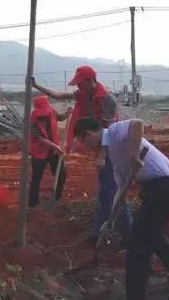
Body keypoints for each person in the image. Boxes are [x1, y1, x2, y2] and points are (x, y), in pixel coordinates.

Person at [74, 117, 169, 299]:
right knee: (154, 234)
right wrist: (110, 221)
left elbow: (137, 123)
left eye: (82, 141)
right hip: (156, 191)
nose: (85, 146)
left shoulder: (113, 132)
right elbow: (120, 190)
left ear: (87, 135)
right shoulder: (113, 154)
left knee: (137, 246)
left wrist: (134, 154)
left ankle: (135, 295)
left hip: (164, 188)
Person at [32, 65, 132, 244]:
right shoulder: (84, 94)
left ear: (90, 81)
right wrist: (37, 86)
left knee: (113, 192)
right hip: (100, 147)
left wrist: (102, 155)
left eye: (79, 83)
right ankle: (97, 233)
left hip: (113, 147)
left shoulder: (107, 99)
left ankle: (128, 235)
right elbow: (60, 95)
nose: (77, 87)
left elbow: (110, 131)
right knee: (105, 192)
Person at [28, 95, 72, 208]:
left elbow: (59, 117)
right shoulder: (33, 119)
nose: (44, 114)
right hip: (39, 152)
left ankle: (56, 198)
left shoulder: (52, 111)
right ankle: (32, 203)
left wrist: (67, 114)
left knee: (61, 175)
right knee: (36, 178)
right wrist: (56, 147)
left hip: (53, 151)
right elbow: (39, 139)